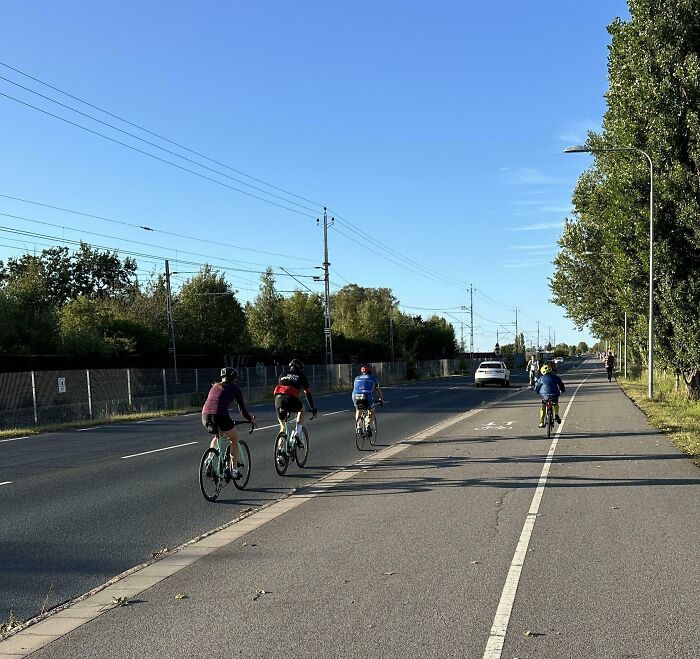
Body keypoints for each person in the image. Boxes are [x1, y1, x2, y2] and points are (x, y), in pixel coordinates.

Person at [201, 367, 256, 480]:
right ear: (234, 379)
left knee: (218, 435)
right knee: (234, 438)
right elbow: (242, 410)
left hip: (205, 415)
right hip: (220, 415)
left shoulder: (214, 387)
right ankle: (234, 470)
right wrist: (250, 419)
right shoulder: (235, 389)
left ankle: (209, 459)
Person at [273, 359, 317, 439]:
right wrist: (312, 407)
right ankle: (298, 431)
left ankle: (279, 449)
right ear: (300, 368)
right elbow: (307, 392)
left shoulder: (282, 374)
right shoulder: (301, 376)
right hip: (290, 399)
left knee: (282, 428)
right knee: (302, 409)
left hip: (278, 400)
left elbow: (282, 389)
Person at [352, 364, 384, 431]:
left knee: (358, 410)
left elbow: (356, 387)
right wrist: (381, 399)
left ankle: (358, 427)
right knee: (371, 411)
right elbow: (378, 390)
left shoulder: (357, 378)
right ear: (370, 372)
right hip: (366, 395)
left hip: (355, 395)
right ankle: (367, 425)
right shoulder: (373, 378)